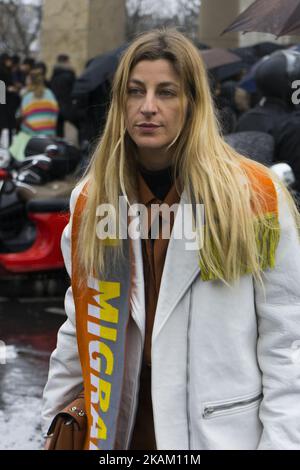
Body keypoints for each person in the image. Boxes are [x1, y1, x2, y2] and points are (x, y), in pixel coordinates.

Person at [42, 29, 300, 450]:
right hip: (119, 432)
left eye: (166, 92)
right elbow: (78, 325)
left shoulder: (258, 195)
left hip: (218, 436)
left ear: (193, 103)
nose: (148, 108)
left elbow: (287, 343)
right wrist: (53, 422)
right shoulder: (91, 199)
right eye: (135, 92)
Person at [18, 68, 59, 137]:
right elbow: (55, 111)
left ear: (30, 81)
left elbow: (22, 115)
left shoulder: (27, 96)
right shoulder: (49, 93)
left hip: (31, 134)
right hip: (49, 132)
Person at [50, 54, 77, 137]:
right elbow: (74, 90)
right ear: (66, 61)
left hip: (56, 105)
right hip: (68, 105)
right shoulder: (70, 75)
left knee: (59, 130)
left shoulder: (54, 75)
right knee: (79, 125)